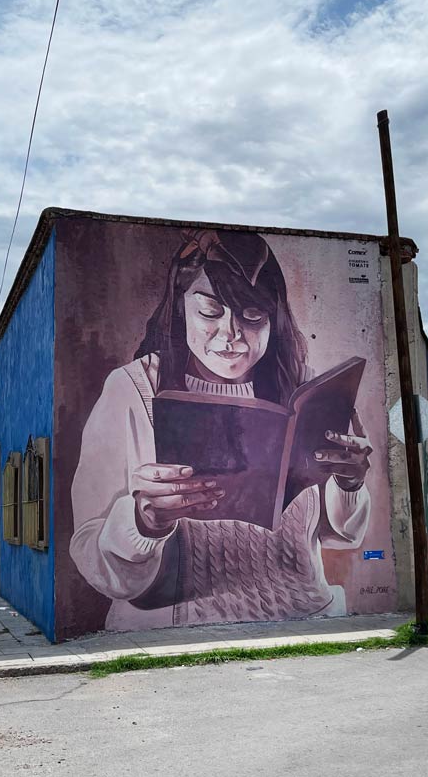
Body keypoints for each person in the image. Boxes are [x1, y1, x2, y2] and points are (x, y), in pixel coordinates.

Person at [70, 228, 374, 631]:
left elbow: (342, 537)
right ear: (181, 306)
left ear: (274, 318)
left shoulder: (302, 386)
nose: (230, 335)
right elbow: (93, 557)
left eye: (253, 316)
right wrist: (143, 522)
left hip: (308, 619)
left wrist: (349, 483)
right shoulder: (133, 388)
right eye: (210, 311)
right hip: (173, 631)